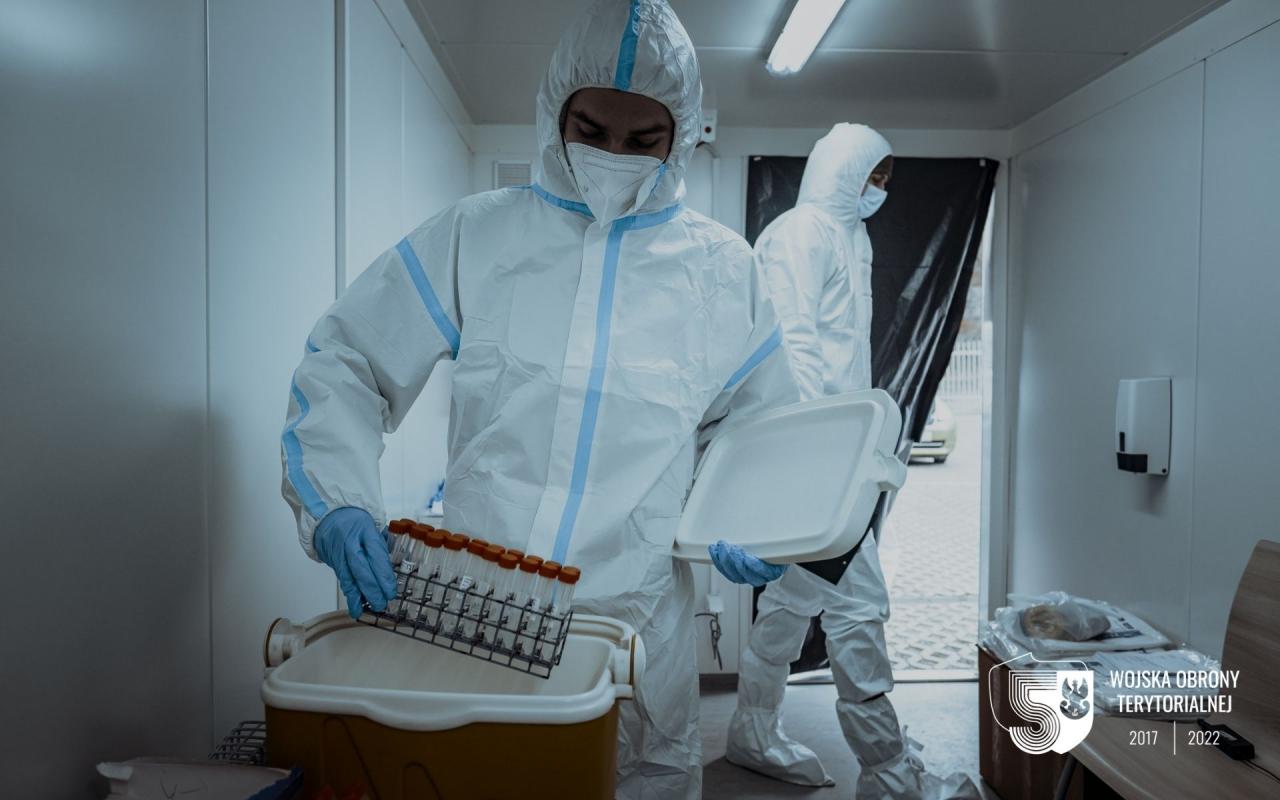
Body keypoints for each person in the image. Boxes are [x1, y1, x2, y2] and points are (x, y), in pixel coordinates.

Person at [279, 1, 795, 797]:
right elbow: (350, 358)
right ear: (556, 112)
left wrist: (758, 517)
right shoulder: (478, 235)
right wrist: (340, 501)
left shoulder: (725, 274)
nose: (613, 156)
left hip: (632, 636)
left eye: (642, 140)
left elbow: (762, 434)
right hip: (479, 618)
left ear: (683, 135)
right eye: (591, 130)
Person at [722, 124, 976, 799]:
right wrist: (820, 457)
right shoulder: (801, 233)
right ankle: (889, 775)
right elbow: (792, 344)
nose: (879, 191)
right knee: (859, 609)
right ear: (842, 170)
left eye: (887, 180)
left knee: (791, 603)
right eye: (872, 176)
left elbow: (842, 357)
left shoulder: (849, 238)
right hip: (816, 460)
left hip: (834, 458)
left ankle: (751, 730)